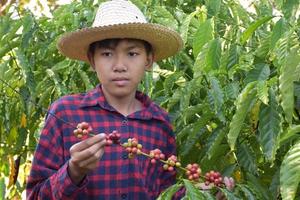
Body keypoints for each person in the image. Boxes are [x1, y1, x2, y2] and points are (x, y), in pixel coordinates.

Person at [26, 0, 183, 199]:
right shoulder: (65, 113)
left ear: (148, 60)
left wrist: (202, 193)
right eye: (107, 54)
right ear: (92, 60)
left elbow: (165, 193)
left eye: (132, 53)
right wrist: (73, 172)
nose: (119, 65)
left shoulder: (160, 123)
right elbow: (35, 195)